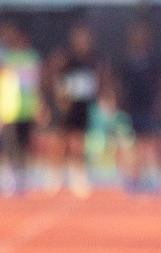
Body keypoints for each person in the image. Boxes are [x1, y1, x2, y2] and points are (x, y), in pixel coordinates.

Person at [48, 24, 112, 198]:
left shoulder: (94, 60)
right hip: (67, 107)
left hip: (83, 107)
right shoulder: (67, 59)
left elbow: (102, 80)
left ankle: (79, 177)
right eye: (79, 38)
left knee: (79, 142)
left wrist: (104, 98)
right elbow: (55, 76)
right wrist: (60, 95)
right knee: (61, 142)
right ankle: (56, 176)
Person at [118, 20, 161, 192]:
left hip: (149, 107)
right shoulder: (127, 61)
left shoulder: (154, 60)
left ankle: (154, 179)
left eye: (142, 35)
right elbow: (120, 85)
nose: (138, 38)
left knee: (151, 143)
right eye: (136, 35)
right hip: (132, 108)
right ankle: (135, 179)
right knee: (133, 145)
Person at [0, 21, 45, 195]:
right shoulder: (7, 57)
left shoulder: (32, 57)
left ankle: (23, 176)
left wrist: (39, 105)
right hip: (10, 110)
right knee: (11, 144)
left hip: (27, 109)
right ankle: (14, 175)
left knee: (25, 144)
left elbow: (36, 84)